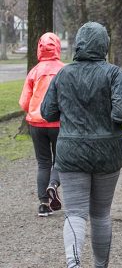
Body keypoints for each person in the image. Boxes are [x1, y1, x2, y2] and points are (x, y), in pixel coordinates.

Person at [41, 22, 122, 268]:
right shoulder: (114, 74)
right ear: (104, 44)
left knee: (74, 213)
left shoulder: (64, 74)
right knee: (100, 214)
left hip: (71, 152)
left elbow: (47, 112)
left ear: (78, 44)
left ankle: (73, 264)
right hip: (108, 152)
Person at [19, 32, 65, 217]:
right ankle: (53, 185)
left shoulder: (34, 71)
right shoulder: (64, 70)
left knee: (43, 162)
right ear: (58, 48)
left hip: (36, 124)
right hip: (59, 123)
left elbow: (24, 102)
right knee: (61, 160)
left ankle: (43, 204)